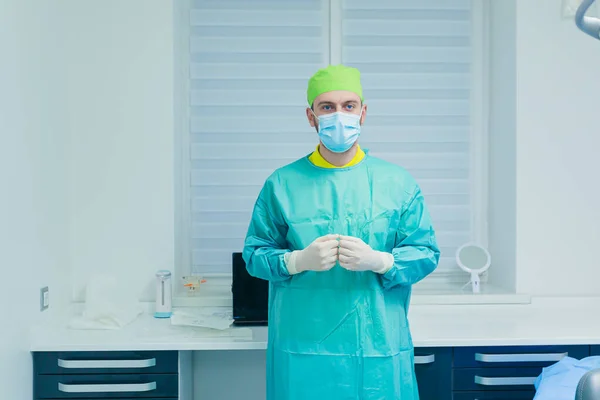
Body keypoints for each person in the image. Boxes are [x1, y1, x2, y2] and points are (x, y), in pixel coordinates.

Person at [242, 64, 440, 399]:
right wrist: (295, 261)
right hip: (303, 348)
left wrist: (381, 261)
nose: (339, 115)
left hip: (377, 345)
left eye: (348, 106)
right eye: (327, 107)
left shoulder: (396, 183)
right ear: (311, 116)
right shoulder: (282, 184)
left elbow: (425, 253)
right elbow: (255, 255)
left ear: (363, 113)